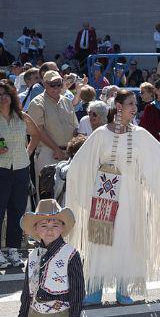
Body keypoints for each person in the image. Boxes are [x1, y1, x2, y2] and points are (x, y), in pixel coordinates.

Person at [66, 89, 160, 306]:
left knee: (127, 239)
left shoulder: (140, 135)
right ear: (119, 106)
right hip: (105, 194)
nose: (135, 108)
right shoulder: (100, 134)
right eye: (131, 103)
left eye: (136, 104)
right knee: (101, 240)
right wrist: (90, 187)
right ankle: (95, 288)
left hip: (131, 197)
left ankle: (123, 290)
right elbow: (79, 164)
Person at [0, 81, 50, 268]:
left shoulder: (21, 116)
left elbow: (36, 135)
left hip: (20, 168)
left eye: (5, 93)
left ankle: (13, 250)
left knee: (17, 210)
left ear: (12, 96)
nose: (2, 97)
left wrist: (27, 153)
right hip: (1, 169)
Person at [18, 199, 84, 317]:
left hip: (60, 313)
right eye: (44, 225)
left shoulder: (71, 255)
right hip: (33, 312)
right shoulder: (32, 256)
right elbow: (26, 292)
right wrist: (22, 314)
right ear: (36, 229)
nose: (50, 230)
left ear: (62, 227)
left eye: (55, 225)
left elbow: (77, 292)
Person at [27, 71, 77, 197]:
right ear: (44, 84)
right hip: (47, 152)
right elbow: (38, 131)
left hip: (67, 153)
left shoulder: (67, 101)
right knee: (47, 194)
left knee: (67, 194)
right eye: (52, 85)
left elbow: (75, 128)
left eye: (58, 84)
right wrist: (56, 149)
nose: (56, 88)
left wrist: (71, 150)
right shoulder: (37, 103)